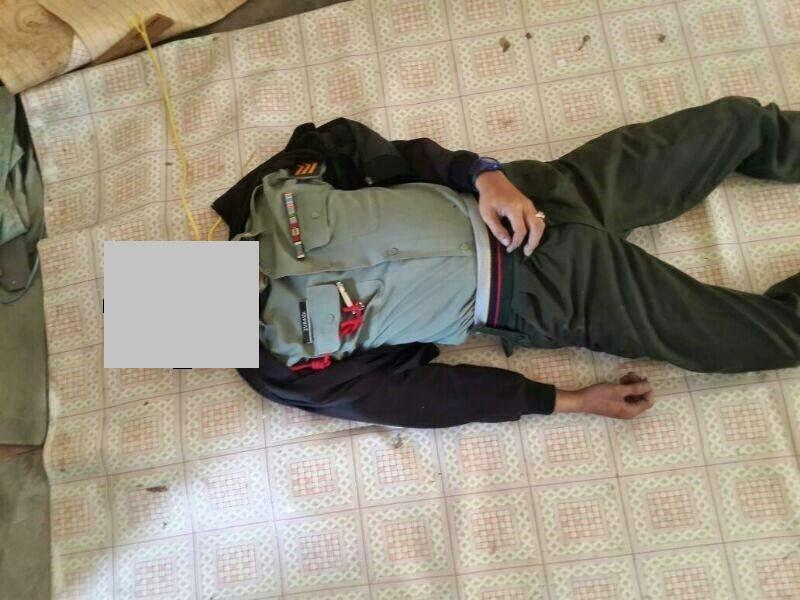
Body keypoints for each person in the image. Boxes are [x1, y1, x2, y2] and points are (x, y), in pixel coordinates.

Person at [212, 96, 800, 428]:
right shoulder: (283, 365)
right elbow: (430, 395)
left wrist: (482, 173)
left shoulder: (268, 193)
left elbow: (379, 151)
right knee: (757, 338)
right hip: (558, 293)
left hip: (541, 194)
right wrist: (571, 400)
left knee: (739, 123)